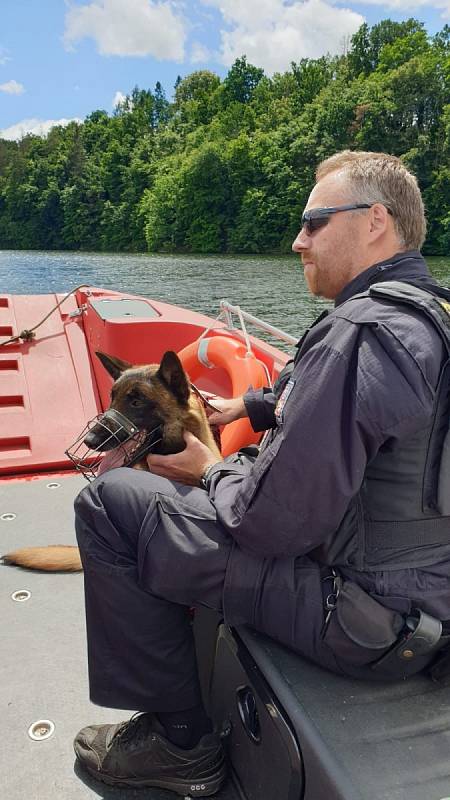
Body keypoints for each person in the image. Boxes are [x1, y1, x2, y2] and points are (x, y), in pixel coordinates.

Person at [73, 150, 450, 797]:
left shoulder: (359, 332)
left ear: (374, 223)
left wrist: (212, 468)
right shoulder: (427, 317)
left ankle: (180, 744)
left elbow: (269, 525)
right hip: (430, 609)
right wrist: (249, 407)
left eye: (314, 221)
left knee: (112, 504)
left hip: (364, 622)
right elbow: (374, 413)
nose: (297, 240)